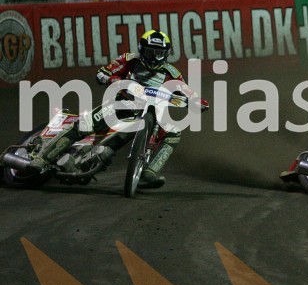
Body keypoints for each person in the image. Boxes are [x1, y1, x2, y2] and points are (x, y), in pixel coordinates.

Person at [29, 30, 208, 189]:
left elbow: (186, 91)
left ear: (166, 54)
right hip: (120, 105)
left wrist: (197, 102)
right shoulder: (129, 60)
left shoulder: (172, 73)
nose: (153, 57)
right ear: (141, 49)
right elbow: (103, 72)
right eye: (149, 52)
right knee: (84, 123)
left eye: (158, 53)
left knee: (174, 133)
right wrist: (112, 79)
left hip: (149, 114)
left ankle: (149, 172)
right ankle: (43, 158)